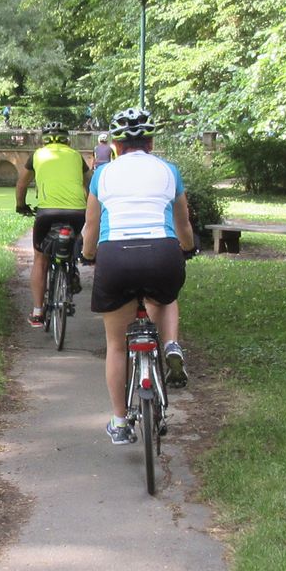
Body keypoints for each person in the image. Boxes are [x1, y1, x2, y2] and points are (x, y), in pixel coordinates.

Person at [80, 107, 195, 444]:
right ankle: (171, 344)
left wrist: (88, 254)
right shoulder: (169, 170)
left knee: (117, 346)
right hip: (162, 251)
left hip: (115, 256)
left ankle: (119, 423)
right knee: (167, 295)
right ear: (151, 143)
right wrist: (188, 248)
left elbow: (91, 227)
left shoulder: (102, 175)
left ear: (115, 145)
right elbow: (183, 223)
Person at [14, 121, 89, 328]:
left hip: (47, 212)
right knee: (75, 237)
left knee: (40, 258)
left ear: (44, 140)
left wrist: (21, 206)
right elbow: (90, 184)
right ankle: (71, 270)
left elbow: (21, 184)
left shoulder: (37, 155)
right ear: (67, 140)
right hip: (77, 211)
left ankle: (38, 312)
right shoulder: (76, 156)